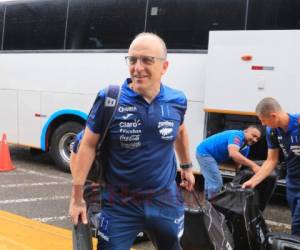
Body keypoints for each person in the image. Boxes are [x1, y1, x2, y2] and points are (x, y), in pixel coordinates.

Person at [69, 32, 195, 250]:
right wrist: (77, 198)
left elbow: (180, 131)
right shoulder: (109, 99)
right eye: (132, 59)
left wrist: (186, 166)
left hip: (165, 200)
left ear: (164, 66)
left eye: (147, 60)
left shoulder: (177, 100)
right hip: (119, 205)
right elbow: (86, 145)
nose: (137, 67)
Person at [242, 97, 300, 236]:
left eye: (263, 120)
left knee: (297, 227)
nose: (262, 124)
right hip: (292, 183)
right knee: (296, 219)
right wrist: (253, 181)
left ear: (273, 116)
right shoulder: (272, 131)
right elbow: (271, 161)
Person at [196, 126, 261, 199]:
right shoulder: (237, 135)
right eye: (253, 135)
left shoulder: (246, 148)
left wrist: (238, 177)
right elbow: (233, 153)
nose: (255, 140)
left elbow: (238, 162)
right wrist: (254, 166)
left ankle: (207, 204)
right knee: (216, 183)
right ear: (245, 131)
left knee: (211, 181)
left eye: (257, 138)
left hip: (212, 157)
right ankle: (213, 207)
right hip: (205, 153)